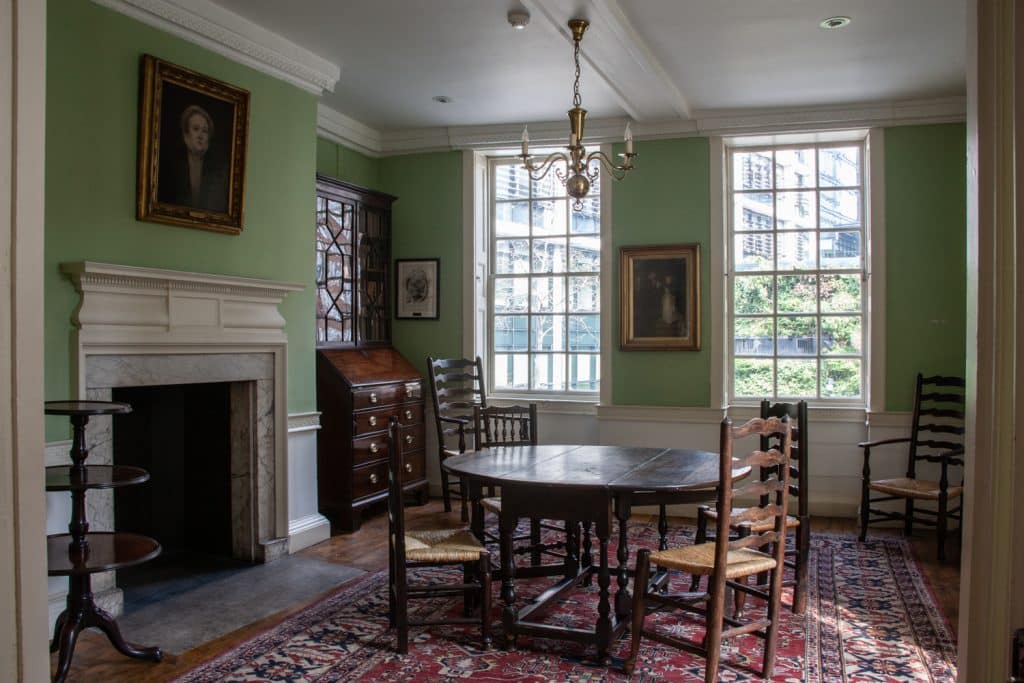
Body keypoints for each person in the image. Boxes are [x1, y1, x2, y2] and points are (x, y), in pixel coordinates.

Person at [160, 104, 228, 212]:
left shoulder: (218, 171)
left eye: (205, 131)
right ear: (186, 135)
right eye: (196, 129)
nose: (200, 135)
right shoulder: (171, 167)